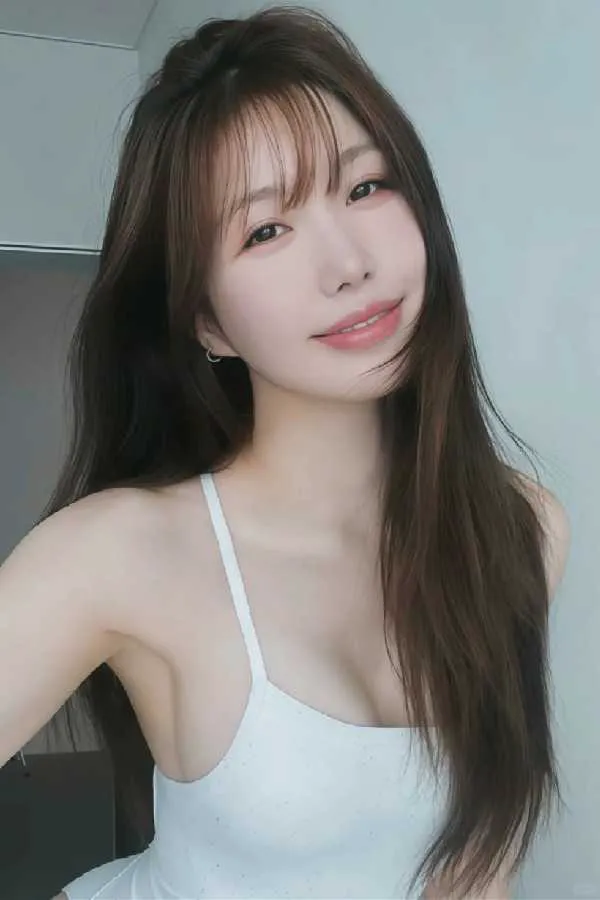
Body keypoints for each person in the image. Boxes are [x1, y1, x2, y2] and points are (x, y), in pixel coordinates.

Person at [0, 6, 570, 900]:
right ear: (207, 323)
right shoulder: (119, 552)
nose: (347, 264)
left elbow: (475, 870)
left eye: (365, 187)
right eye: (265, 231)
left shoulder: (522, 528)